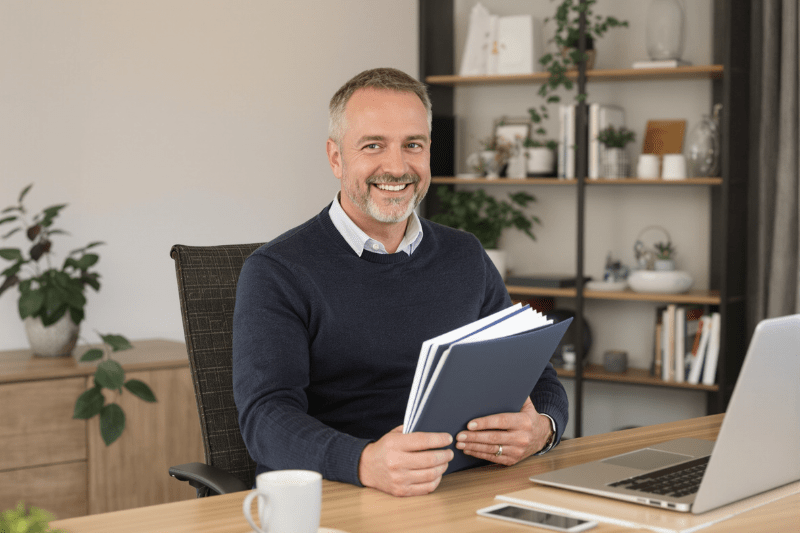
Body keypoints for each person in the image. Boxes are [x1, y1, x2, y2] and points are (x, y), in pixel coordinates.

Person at [232, 67, 568, 497]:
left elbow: (538, 375)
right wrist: (363, 462)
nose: (397, 166)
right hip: (344, 495)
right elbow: (265, 418)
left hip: (465, 491)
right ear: (336, 157)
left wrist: (543, 428)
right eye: (373, 145)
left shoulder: (465, 255)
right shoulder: (276, 271)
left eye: (413, 145)